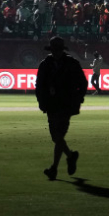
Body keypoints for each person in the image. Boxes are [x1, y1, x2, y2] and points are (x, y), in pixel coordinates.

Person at [35, 37, 88, 180]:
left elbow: (82, 83)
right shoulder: (46, 64)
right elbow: (39, 86)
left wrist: (78, 98)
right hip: (52, 105)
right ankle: (70, 156)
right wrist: (41, 101)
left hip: (66, 105)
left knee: (58, 136)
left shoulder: (71, 63)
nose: (56, 52)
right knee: (56, 137)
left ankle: (54, 168)